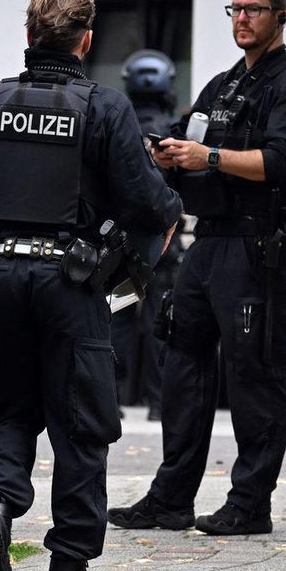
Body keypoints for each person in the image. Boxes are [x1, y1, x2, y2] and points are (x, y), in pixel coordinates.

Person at [0, 0, 182, 571]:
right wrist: (163, 223)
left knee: (9, 408)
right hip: (74, 282)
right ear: (85, 40)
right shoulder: (106, 109)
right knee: (82, 426)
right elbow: (148, 203)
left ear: (28, 36)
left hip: (3, 279)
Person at [110, 0, 286, 536]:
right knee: (182, 365)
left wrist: (206, 158)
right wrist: (164, 154)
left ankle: (250, 503)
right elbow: (187, 137)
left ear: (280, 16)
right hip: (206, 241)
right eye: (234, 10)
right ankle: (170, 498)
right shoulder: (223, 84)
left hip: (257, 243)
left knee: (255, 372)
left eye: (253, 10)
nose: (242, 19)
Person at [116, 48, 187, 421]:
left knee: (118, 320)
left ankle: (111, 397)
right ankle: (159, 405)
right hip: (162, 248)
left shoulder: (119, 129)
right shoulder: (173, 134)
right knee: (160, 321)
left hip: (122, 249)